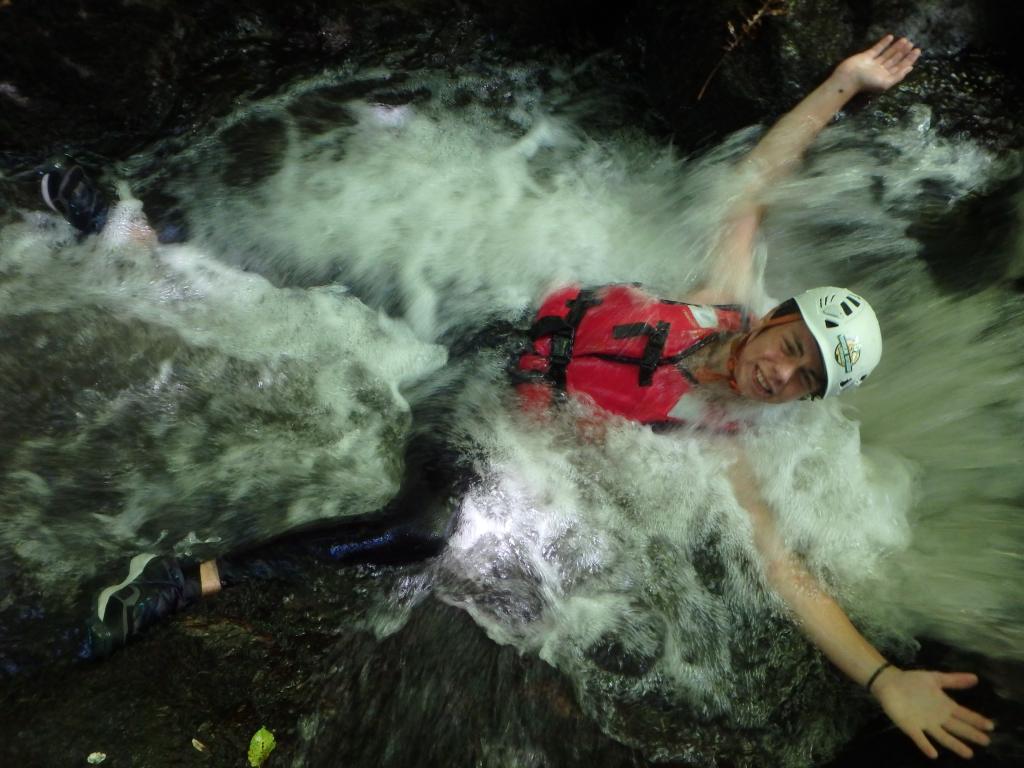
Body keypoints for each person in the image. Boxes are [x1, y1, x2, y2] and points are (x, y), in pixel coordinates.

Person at [38, 34, 993, 761]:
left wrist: (881, 679)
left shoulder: (718, 440)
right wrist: (843, 85)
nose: (777, 374)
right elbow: (757, 181)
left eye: (801, 382)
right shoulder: (715, 299)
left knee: (419, 527)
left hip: (485, 406)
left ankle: (186, 578)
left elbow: (788, 574)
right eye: (790, 348)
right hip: (487, 331)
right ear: (774, 317)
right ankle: (138, 232)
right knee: (349, 281)